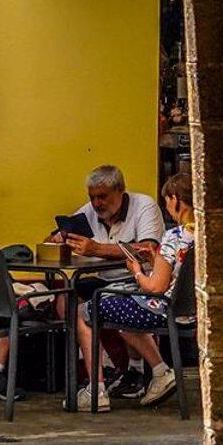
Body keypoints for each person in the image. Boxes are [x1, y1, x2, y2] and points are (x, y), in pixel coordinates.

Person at [72, 171, 196, 411]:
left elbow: (155, 288)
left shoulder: (173, 237)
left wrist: (137, 270)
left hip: (161, 308)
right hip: (189, 311)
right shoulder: (203, 235)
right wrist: (156, 259)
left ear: (177, 200)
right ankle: (159, 372)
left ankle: (96, 392)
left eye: (168, 202)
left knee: (83, 312)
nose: (167, 207)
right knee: (120, 305)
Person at [52, 163, 168, 398]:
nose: (97, 204)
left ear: (120, 191)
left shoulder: (144, 206)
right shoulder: (89, 211)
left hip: (141, 278)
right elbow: (59, 235)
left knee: (109, 301)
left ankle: (136, 372)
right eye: (92, 197)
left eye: (102, 197)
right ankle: (102, 364)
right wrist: (58, 238)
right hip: (105, 279)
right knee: (67, 299)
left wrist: (96, 248)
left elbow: (148, 249)